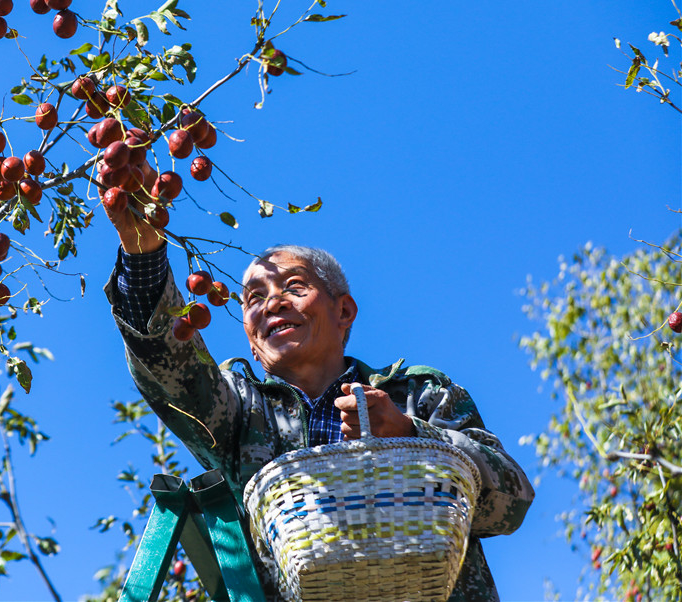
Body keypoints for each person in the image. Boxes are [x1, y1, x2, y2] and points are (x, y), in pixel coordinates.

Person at [103, 199, 535, 602]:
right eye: (254, 298)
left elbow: (510, 504)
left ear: (343, 312)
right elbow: (171, 371)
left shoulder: (417, 395)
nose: (273, 302)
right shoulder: (239, 410)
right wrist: (143, 252)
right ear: (252, 342)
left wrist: (409, 435)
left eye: (294, 286)